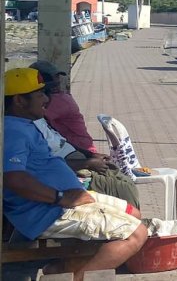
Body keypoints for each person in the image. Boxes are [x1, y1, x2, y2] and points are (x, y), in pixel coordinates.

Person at [4, 68, 148, 279]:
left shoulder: (23, 125)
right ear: (19, 100)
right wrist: (61, 197)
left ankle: (59, 270)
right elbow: (13, 179)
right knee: (136, 234)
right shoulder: (13, 132)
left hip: (67, 200)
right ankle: (73, 276)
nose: (46, 99)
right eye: (39, 95)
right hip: (50, 212)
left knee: (133, 213)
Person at [28, 61, 140, 207]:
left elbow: (60, 142)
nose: (58, 82)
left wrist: (90, 156)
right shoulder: (27, 125)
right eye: (41, 93)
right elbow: (44, 164)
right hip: (73, 162)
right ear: (20, 101)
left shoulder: (51, 106)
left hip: (78, 154)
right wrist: (88, 161)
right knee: (123, 188)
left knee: (122, 181)